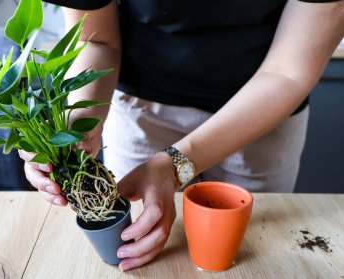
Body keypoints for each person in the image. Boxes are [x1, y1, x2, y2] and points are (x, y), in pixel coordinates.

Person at [19, 0, 344, 271]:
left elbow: (289, 71)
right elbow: (95, 40)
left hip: (261, 111)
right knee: (145, 249)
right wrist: (77, 123)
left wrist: (172, 165)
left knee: (248, 255)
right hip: (142, 108)